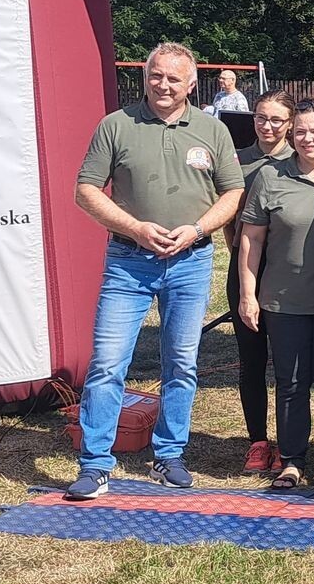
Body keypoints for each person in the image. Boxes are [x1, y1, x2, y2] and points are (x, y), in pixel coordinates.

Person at [69, 42, 245, 498]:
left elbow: (233, 193)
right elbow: (86, 190)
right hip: (129, 262)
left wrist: (197, 229)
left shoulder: (212, 129)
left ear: (192, 84)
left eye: (174, 78)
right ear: (145, 76)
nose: (163, 85)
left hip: (191, 260)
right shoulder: (116, 125)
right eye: (156, 76)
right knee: (108, 363)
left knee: (181, 363)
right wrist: (135, 228)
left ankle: (169, 455)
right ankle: (95, 464)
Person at [237, 98, 314, 488]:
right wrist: (248, 294)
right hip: (283, 300)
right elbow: (251, 239)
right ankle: (292, 459)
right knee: (290, 382)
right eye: (300, 131)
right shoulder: (270, 176)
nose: (307, 138)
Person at [226, 89, 293, 472]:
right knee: (251, 360)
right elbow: (229, 218)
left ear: (290, 123)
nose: (267, 126)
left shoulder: (299, 160)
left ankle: (287, 441)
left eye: (276, 120)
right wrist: (240, 257)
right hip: (246, 267)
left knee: (287, 363)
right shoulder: (237, 161)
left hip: (286, 272)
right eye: (261, 118)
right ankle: (257, 441)